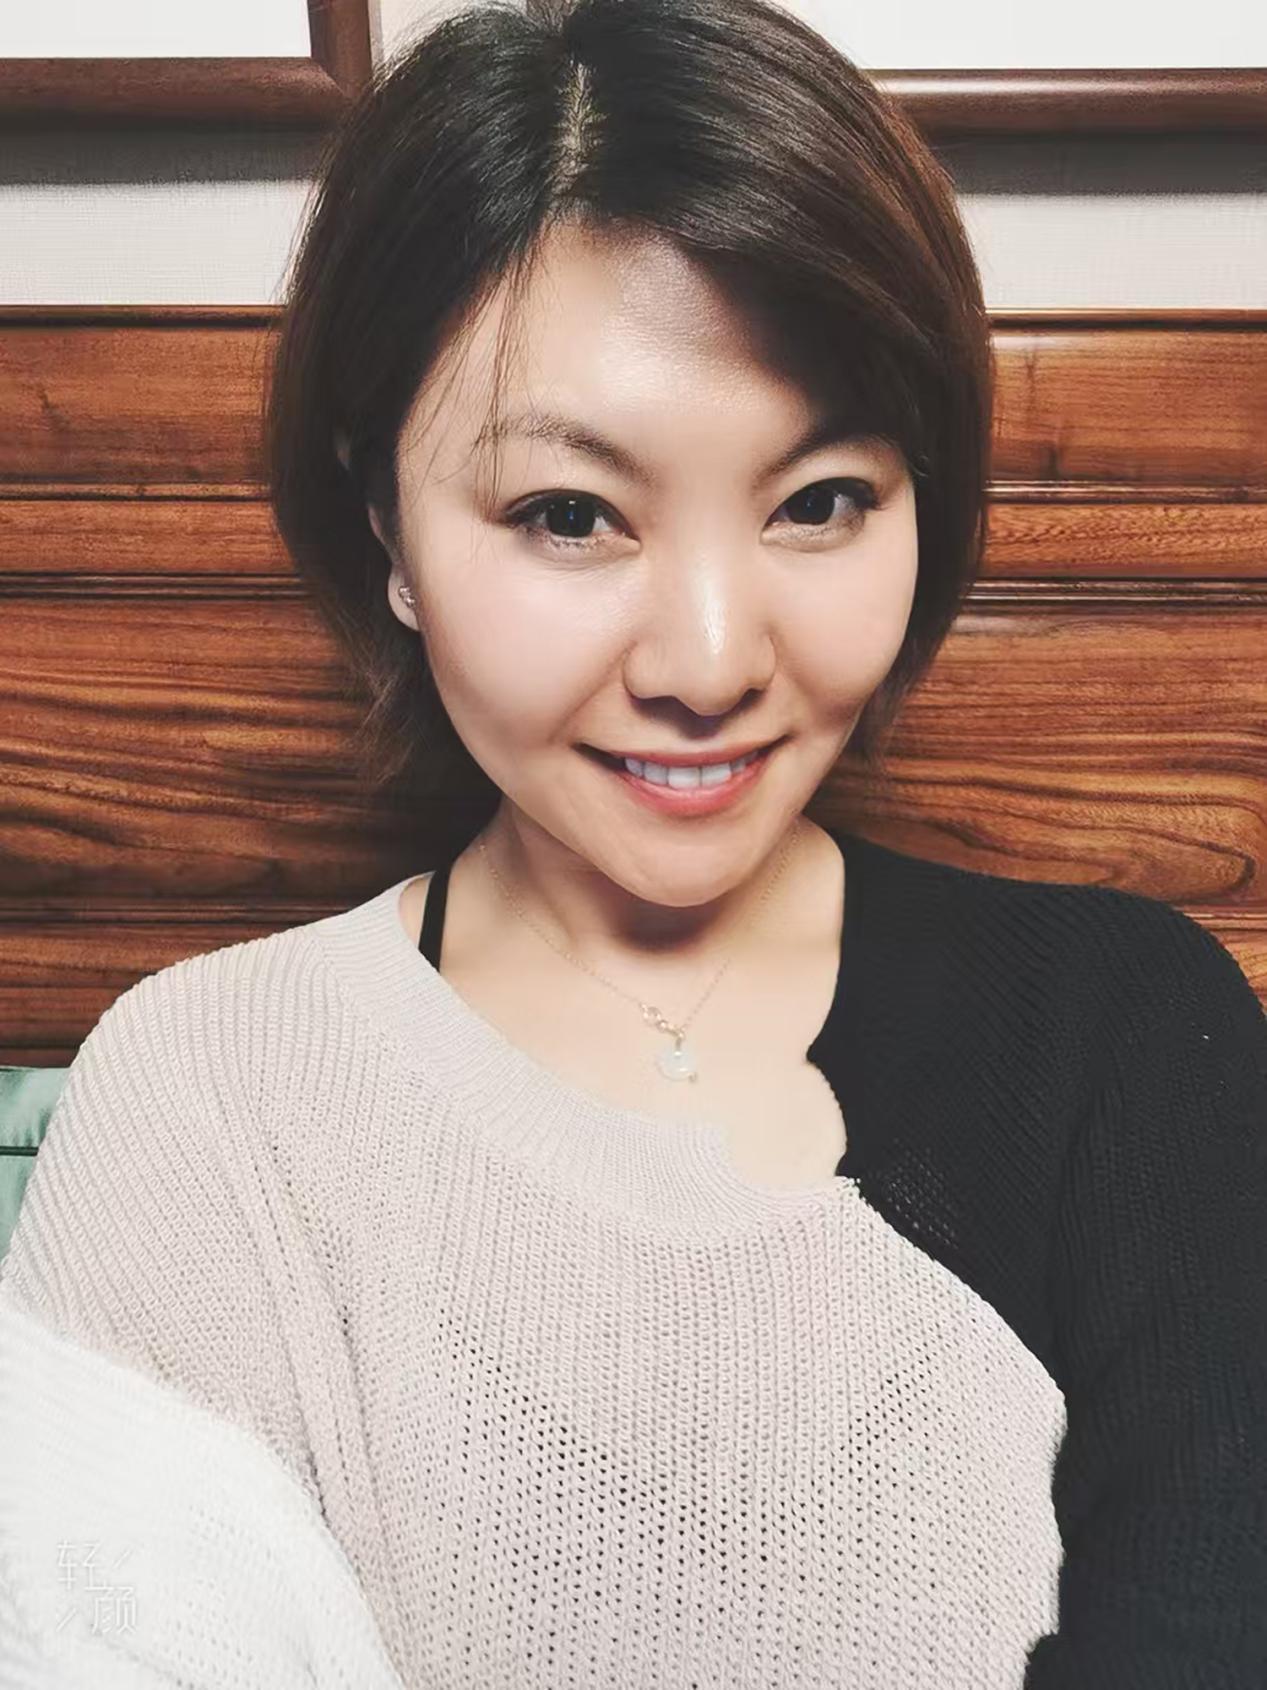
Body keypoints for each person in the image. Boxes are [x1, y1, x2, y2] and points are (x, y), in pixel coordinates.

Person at [2, 0, 1264, 1684]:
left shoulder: (1131, 1040)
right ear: (387, 528)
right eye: (569, 514)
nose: (711, 662)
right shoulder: (205, 1104)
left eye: (820, 500)